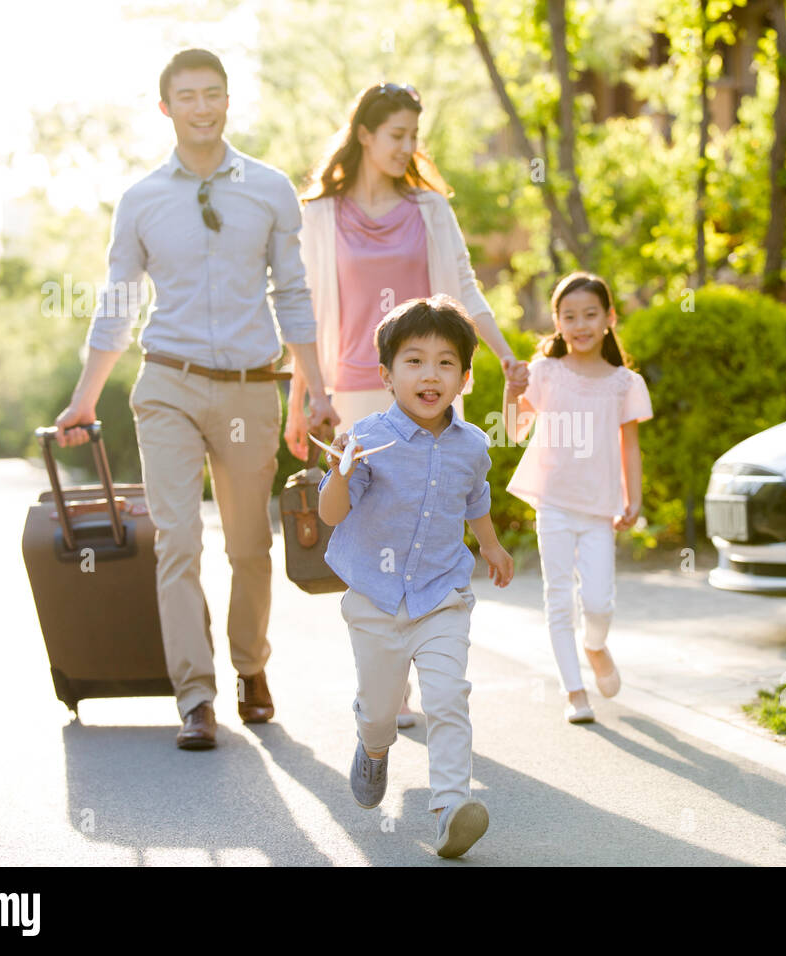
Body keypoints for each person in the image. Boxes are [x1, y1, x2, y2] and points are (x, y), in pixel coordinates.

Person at [54, 49, 328, 750]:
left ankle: (250, 668)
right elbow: (118, 303)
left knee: (249, 547)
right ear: (165, 107)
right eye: (188, 96)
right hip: (167, 382)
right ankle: (195, 694)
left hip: (248, 388)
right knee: (177, 541)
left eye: (213, 94)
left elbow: (292, 294)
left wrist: (314, 387)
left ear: (228, 102)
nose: (201, 107)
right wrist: (85, 397)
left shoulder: (269, 189)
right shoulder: (142, 200)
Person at [286, 81, 527, 727]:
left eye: (414, 137)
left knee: (427, 526)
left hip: (425, 389)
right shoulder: (318, 215)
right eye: (396, 135)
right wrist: (301, 397)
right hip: (352, 393)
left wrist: (503, 354)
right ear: (365, 133)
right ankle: (382, 678)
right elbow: (301, 311)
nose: (406, 147)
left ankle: (415, 680)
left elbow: (466, 291)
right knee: (366, 535)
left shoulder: (429, 210)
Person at [317, 295, 513, 858]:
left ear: (465, 377)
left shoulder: (473, 444)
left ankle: (452, 806)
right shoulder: (366, 438)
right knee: (380, 712)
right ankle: (372, 749)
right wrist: (338, 473)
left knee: (449, 697)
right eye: (414, 360)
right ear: (387, 374)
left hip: (440, 596)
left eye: (446, 362)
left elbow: (474, 499)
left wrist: (493, 547)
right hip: (374, 599)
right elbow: (333, 515)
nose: (431, 374)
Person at [503, 272, 652, 724]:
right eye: (569, 316)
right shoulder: (546, 373)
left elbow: (629, 445)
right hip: (553, 501)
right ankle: (575, 692)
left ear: (609, 318)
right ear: (557, 321)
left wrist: (635, 498)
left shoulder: (624, 382)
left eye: (590, 314)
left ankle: (595, 645)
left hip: (599, 506)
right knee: (558, 597)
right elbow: (514, 430)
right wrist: (512, 392)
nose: (581, 324)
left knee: (599, 603)